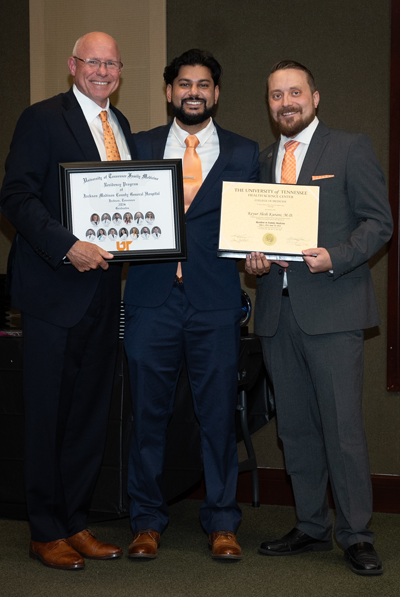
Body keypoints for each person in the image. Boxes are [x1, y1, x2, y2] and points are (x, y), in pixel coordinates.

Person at [245, 60, 393, 576]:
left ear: (315, 96)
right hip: (276, 314)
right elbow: (253, 235)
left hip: (333, 310)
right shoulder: (263, 160)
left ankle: (355, 534)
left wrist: (338, 254)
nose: (286, 103)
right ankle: (310, 526)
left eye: (295, 93)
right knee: (298, 431)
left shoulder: (350, 148)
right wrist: (251, 259)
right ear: (268, 104)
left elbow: (380, 223)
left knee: (343, 429)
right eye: (275, 96)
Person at [0, 31, 137, 570]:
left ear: (120, 71)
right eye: (92, 61)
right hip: (54, 291)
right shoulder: (42, 118)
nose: (101, 71)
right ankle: (45, 530)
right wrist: (67, 247)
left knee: (87, 414)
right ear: (72, 65)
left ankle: (76, 522)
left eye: (111, 63)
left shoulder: (119, 125)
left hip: (104, 292)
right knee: (47, 414)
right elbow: (15, 194)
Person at [124, 48, 259, 561]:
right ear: (169, 92)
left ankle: (222, 522)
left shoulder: (246, 153)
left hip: (216, 303)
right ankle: (146, 521)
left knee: (217, 417)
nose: (194, 92)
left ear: (216, 94)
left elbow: (260, 225)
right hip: (150, 301)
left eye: (203, 84)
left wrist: (262, 251)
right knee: (147, 416)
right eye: (184, 84)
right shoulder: (137, 147)